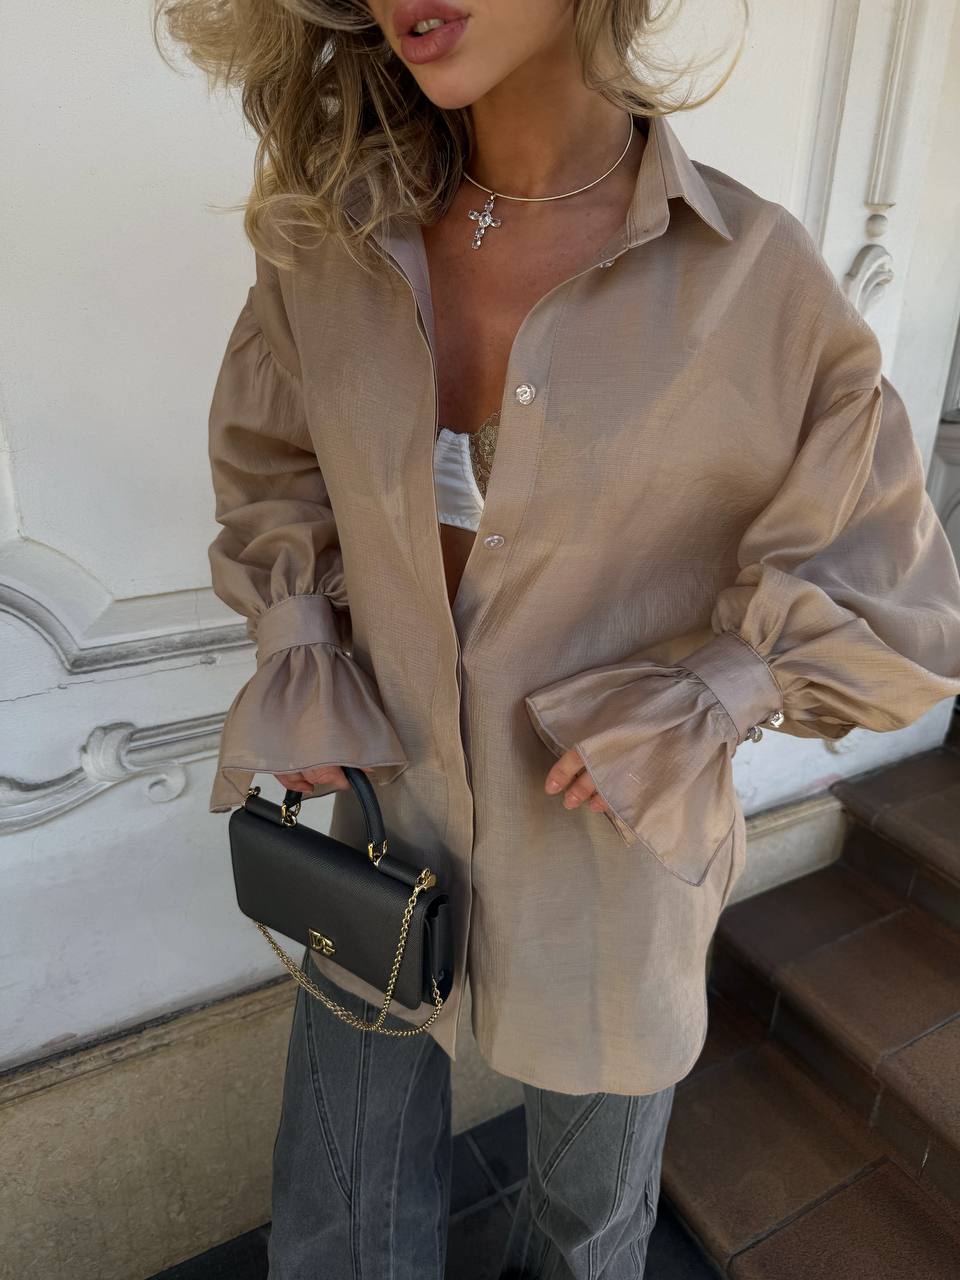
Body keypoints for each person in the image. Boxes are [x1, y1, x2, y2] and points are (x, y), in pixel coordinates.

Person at [157, 0, 960, 1275]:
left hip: (613, 836)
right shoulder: (329, 240)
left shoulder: (759, 282)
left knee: (588, 1228)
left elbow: (891, 586)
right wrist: (300, 642)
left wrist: (717, 686)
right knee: (336, 1217)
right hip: (383, 794)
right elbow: (274, 462)